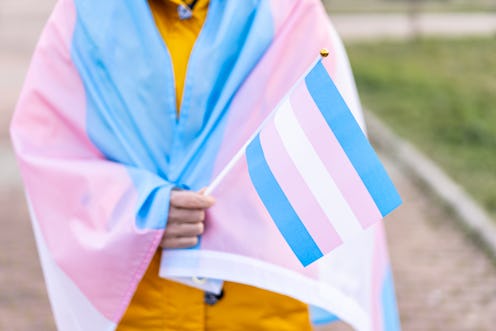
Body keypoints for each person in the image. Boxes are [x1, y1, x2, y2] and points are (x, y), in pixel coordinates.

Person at [11, 0, 401, 330]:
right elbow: (48, 150)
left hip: (259, 306)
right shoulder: (85, 16)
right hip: (144, 310)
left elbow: (324, 145)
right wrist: (142, 208)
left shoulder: (287, 12)